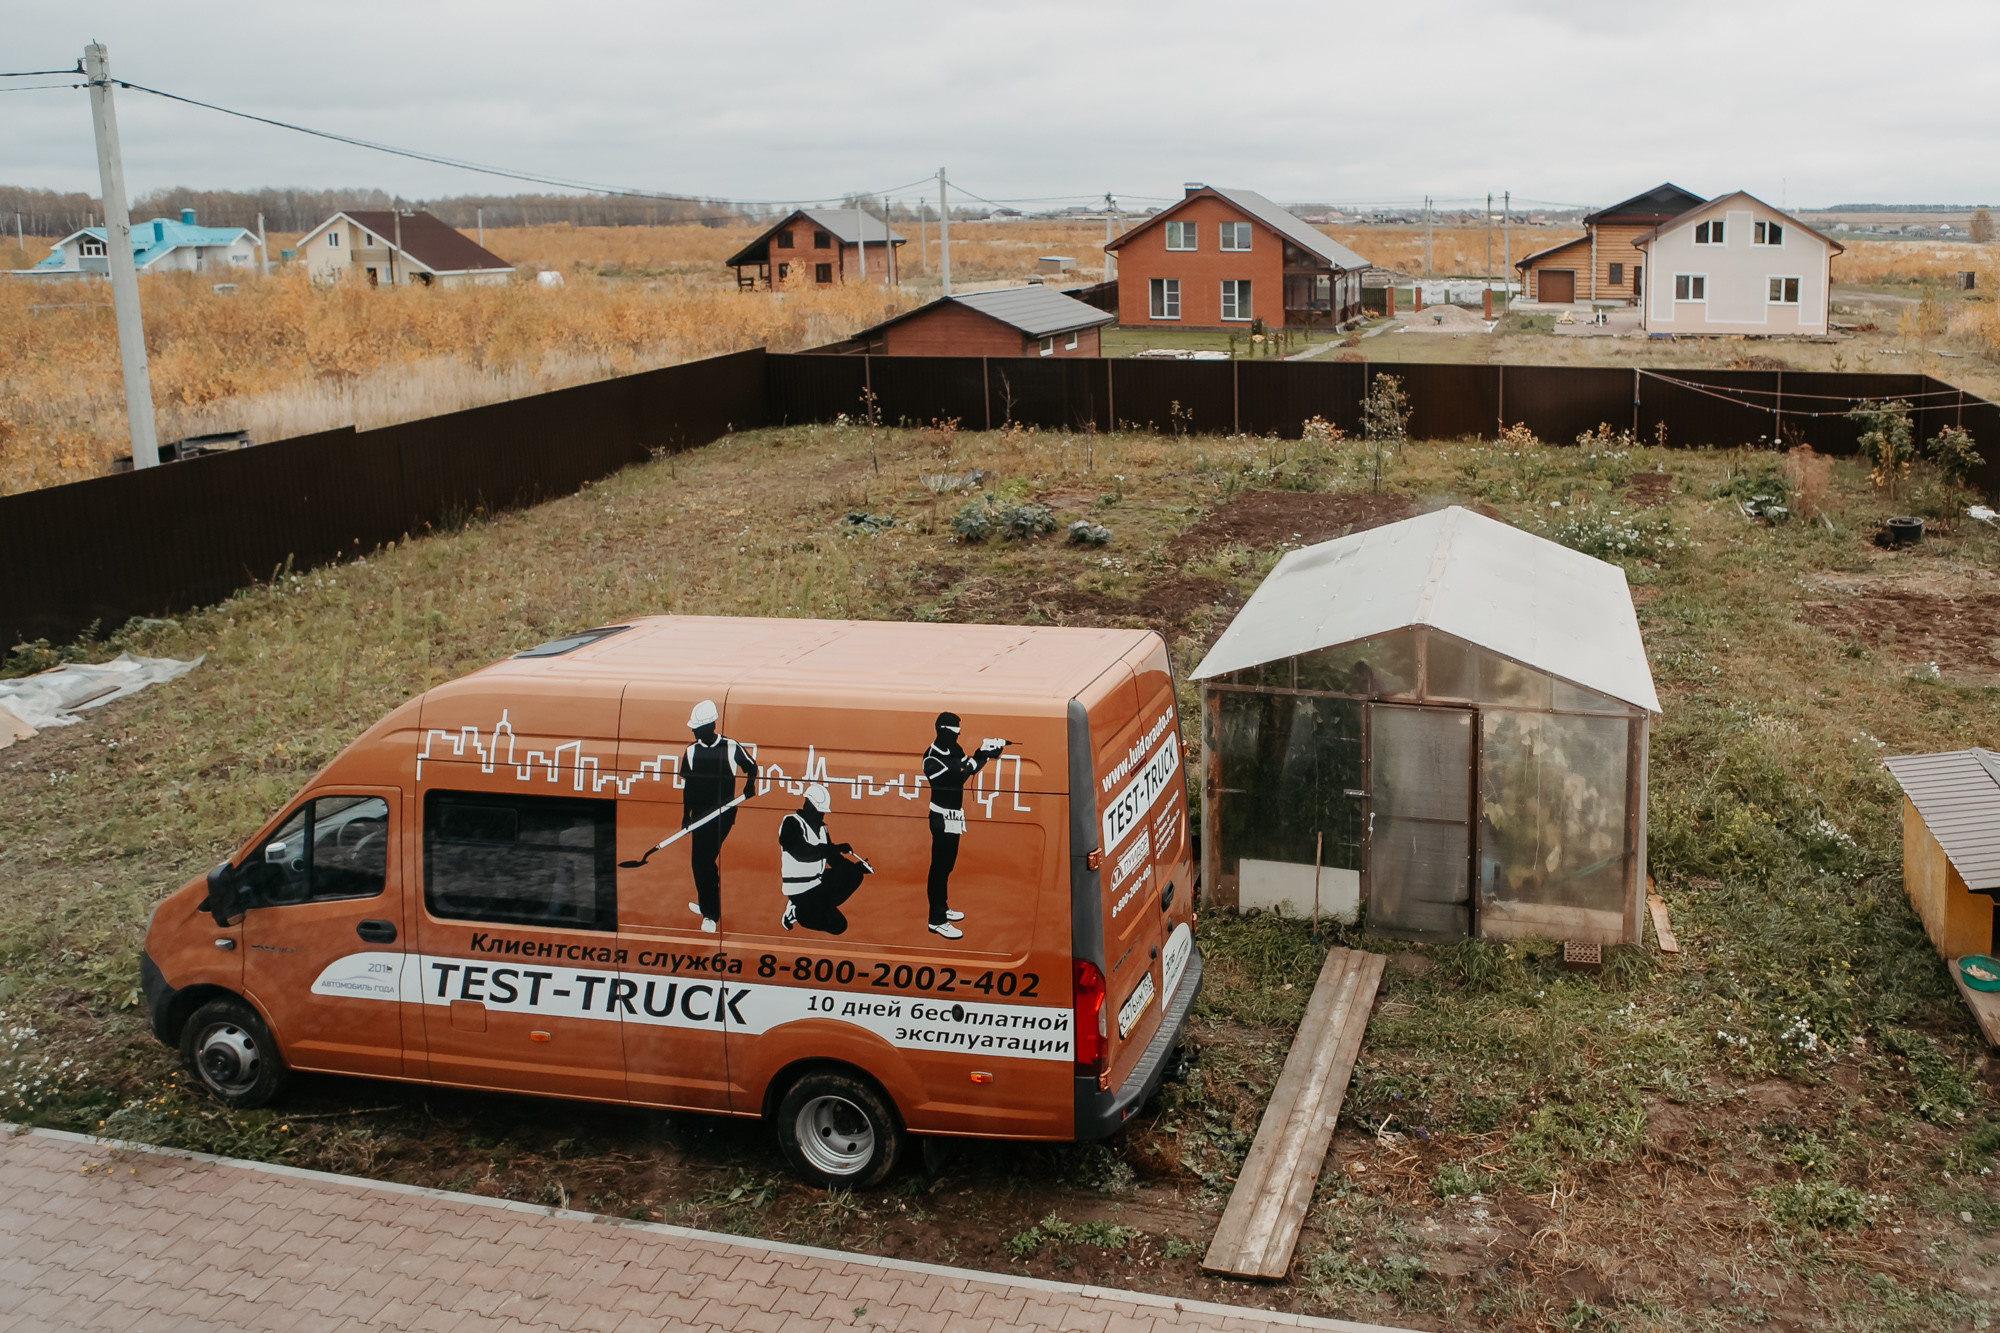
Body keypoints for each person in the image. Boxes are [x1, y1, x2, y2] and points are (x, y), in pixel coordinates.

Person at [920, 712, 1006, 939]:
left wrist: (985, 755)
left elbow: (968, 767)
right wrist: (978, 757)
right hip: (940, 817)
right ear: (942, 730)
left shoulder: (954, 749)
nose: (958, 735)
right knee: (938, 868)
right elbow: (955, 778)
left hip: (955, 816)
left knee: (948, 866)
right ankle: (936, 920)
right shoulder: (931, 759)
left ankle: (943, 906)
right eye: (954, 731)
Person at [681, 699, 757, 934]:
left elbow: (751, 766)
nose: (693, 731)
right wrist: (686, 816)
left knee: (704, 862)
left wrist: (749, 787)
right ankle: (707, 905)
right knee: (698, 863)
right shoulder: (691, 751)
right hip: (699, 816)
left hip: (723, 815)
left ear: (710, 726)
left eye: (697, 727)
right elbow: (688, 786)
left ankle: (710, 916)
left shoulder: (730, 747)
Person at [778, 784, 870, 936]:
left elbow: (832, 858)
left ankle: (813, 908)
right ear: (808, 804)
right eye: (818, 810)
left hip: (818, 883)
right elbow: (802, 852)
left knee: (854, 874)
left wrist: (857, 867)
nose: (821, 815)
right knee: (838, 925)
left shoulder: (821, 828)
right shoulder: (791, 823)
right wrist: (835, 848)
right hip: (800, 889)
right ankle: (796, 912)